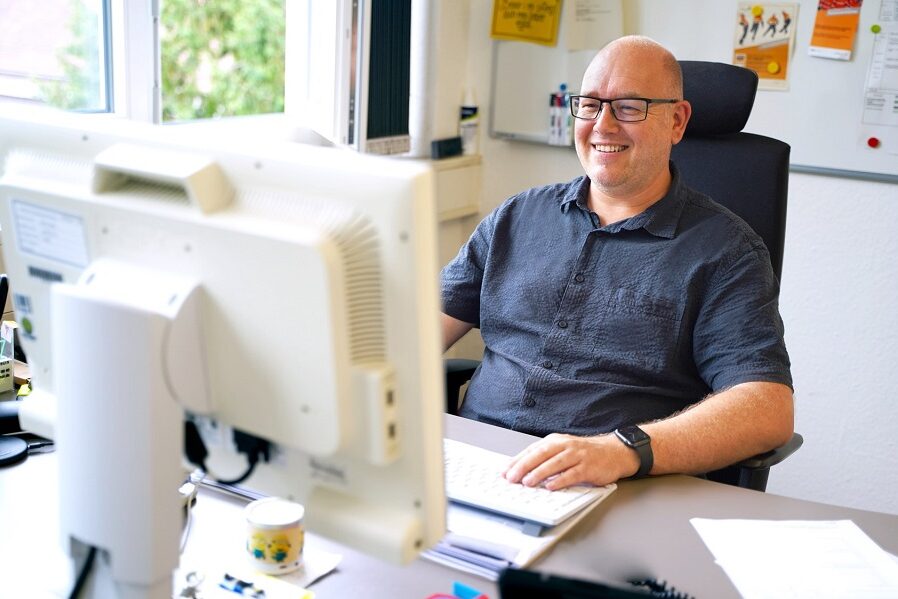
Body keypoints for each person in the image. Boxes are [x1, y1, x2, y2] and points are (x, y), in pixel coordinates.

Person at [440, 36, 793, 491]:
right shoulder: (517, 217)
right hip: (479, 465)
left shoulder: (726, 251)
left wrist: (622, 450)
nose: (602, 125)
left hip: (613, 486)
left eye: (628, 107)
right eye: (589, 105)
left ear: (677, 121)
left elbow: (767, 409)